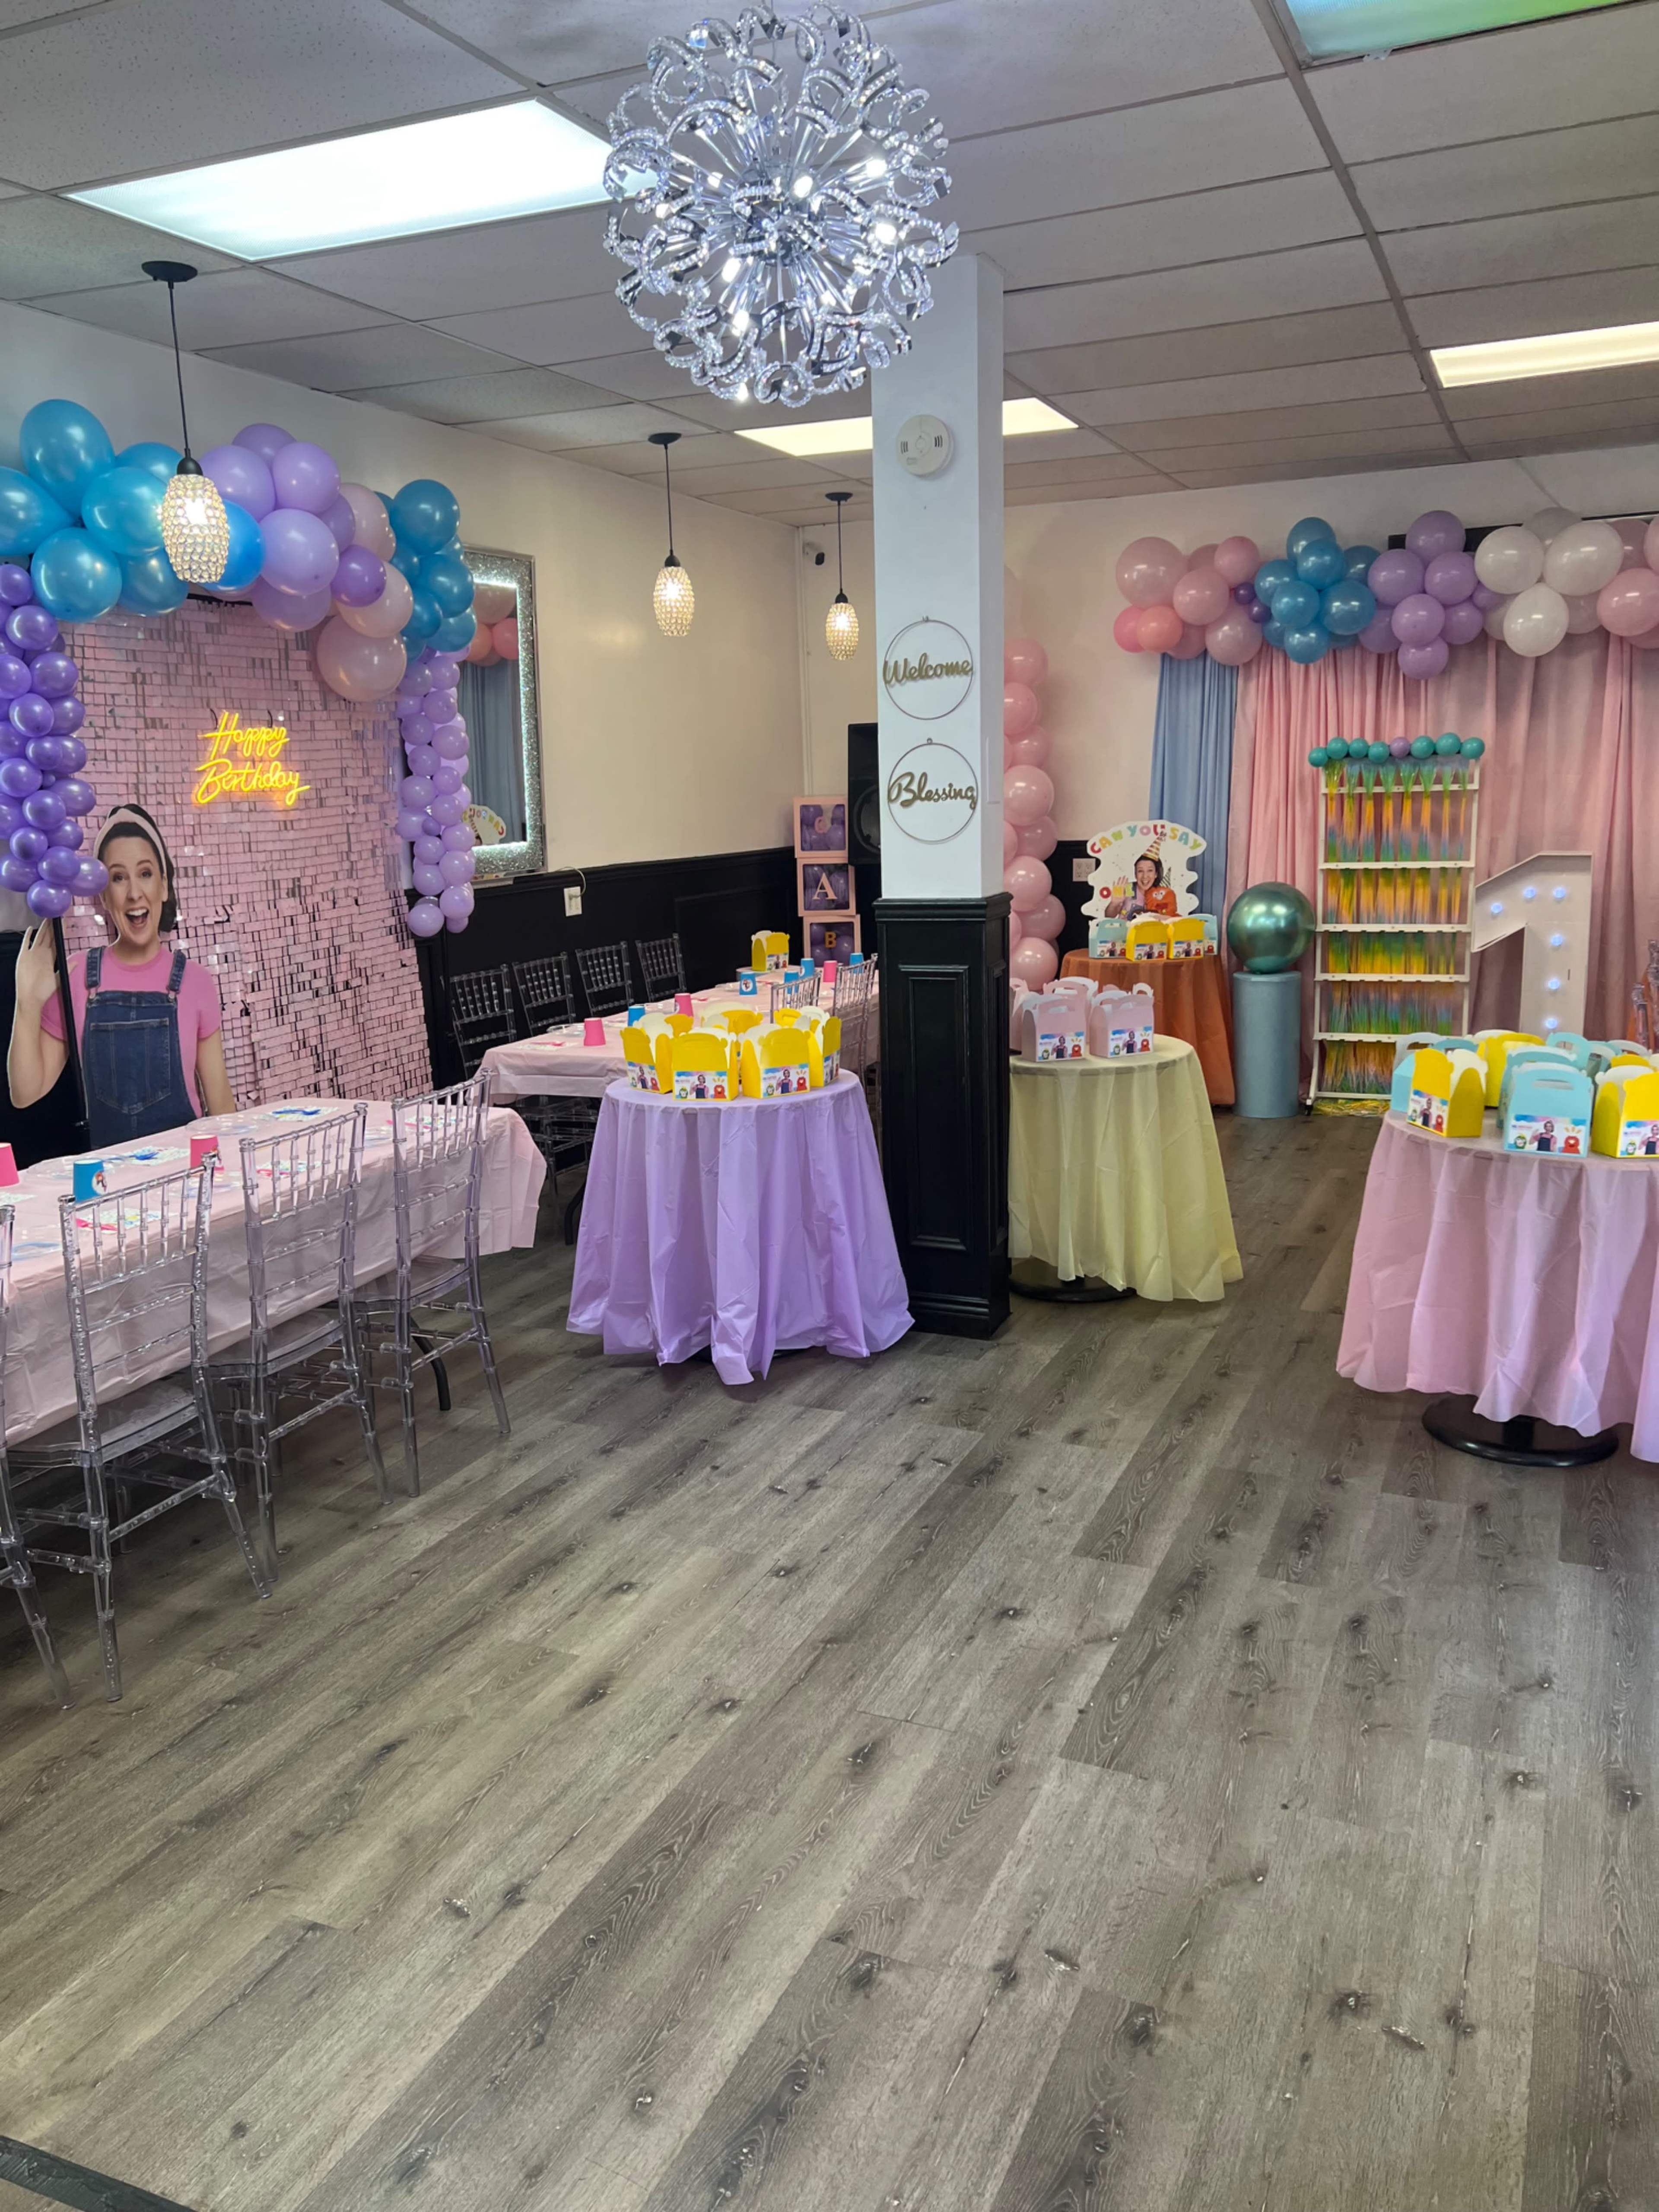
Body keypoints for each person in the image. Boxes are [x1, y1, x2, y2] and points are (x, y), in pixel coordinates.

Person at [8, 803, 234, 1145]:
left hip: (187, 1180)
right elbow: (25, 1094)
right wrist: (26, 1002)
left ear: (164, 886)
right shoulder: (77, 975)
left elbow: (222, 1109)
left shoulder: (197, 982)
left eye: (145, 873)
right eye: (118, 877)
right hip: (110, 1187)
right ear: (103, 895)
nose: (133, 893)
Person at [1105, 851, 1179, 919]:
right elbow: (1109, 916)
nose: (1145, 876)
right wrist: (1114, 904)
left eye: (1150, 871)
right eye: (1140, 871)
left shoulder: (1162, 894)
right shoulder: (1128, 888)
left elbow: (1169, 918)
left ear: (1156, 874)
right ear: (1136, 874)